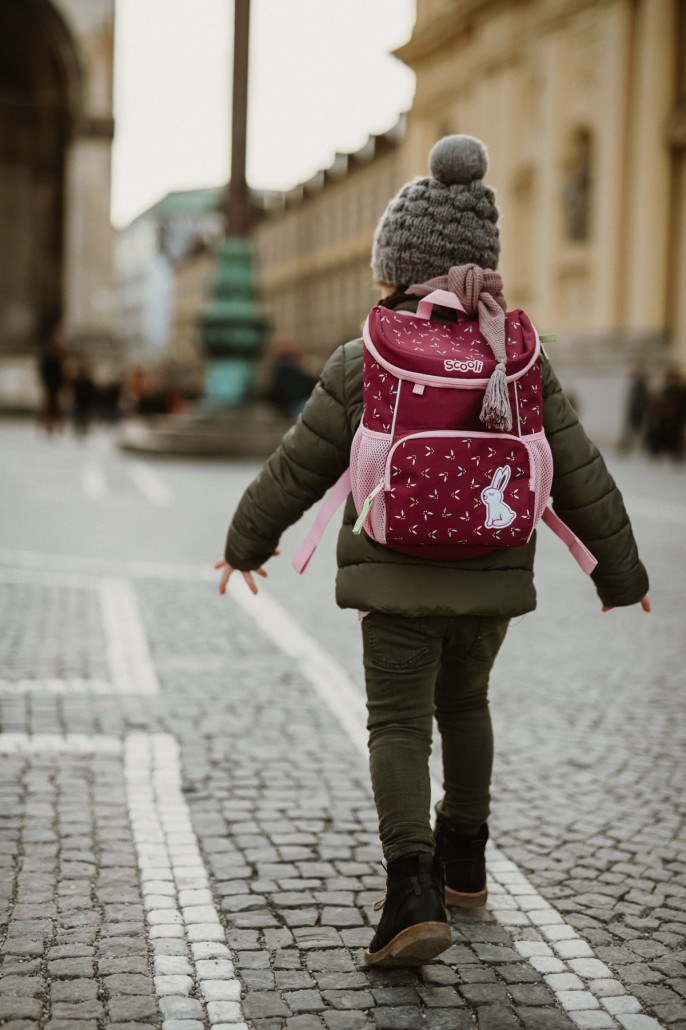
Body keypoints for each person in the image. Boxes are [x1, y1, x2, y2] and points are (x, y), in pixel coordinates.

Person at [215, 136, 650, 968]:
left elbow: (294, 468)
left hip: (396, 580)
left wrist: (245, 545)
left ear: (396, 269)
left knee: (400, 725)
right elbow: (582, 472)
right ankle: (466, 864)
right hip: (492, 577)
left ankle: (411, 891)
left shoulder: (364, 357)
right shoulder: (518, 359)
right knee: (467, 707)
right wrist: (621, 575)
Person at [37, 333, 67, 435]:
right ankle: (48, 423)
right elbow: (44, 372)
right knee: (49, 405)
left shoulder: (59, 359)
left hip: (56, 385)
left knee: (57, 405)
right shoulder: (50, 360)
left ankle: (57, 424)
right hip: (50, 385)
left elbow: (62, 373)